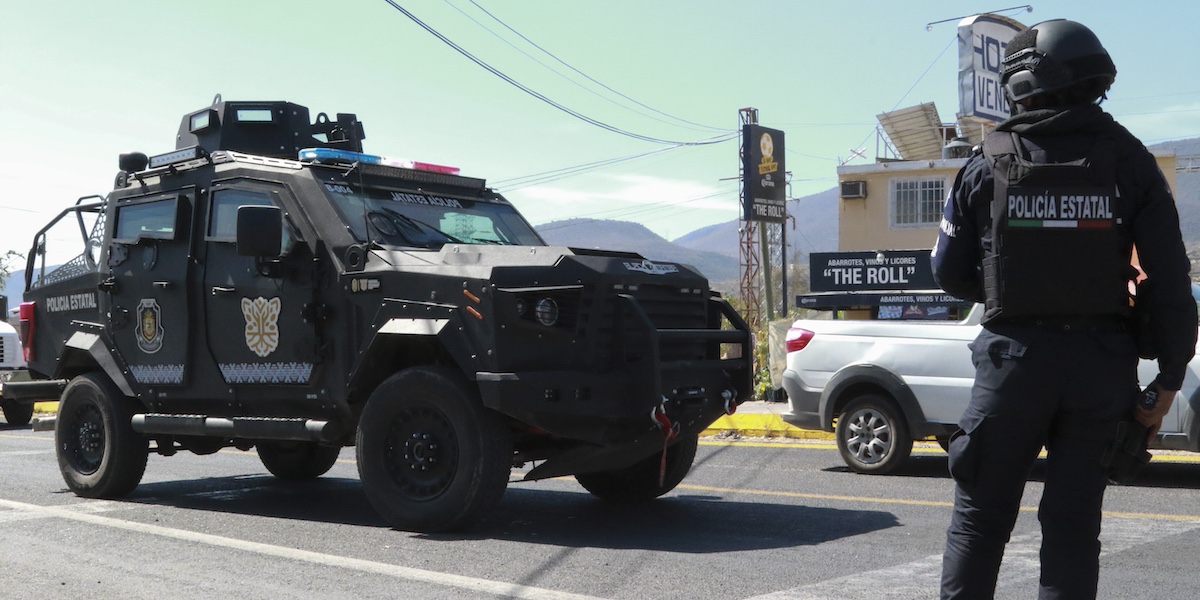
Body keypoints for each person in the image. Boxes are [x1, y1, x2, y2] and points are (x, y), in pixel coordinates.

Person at [930, 18, 1196, 599]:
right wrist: (1168, 382)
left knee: (980, 522)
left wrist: (1010, 288)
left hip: (1013, 365)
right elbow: (1172, 284)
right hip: (1101, 367)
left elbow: (948, 272)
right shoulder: (1131, 159)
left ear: (1022, 83)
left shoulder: (986, 160)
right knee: (1074, 531)